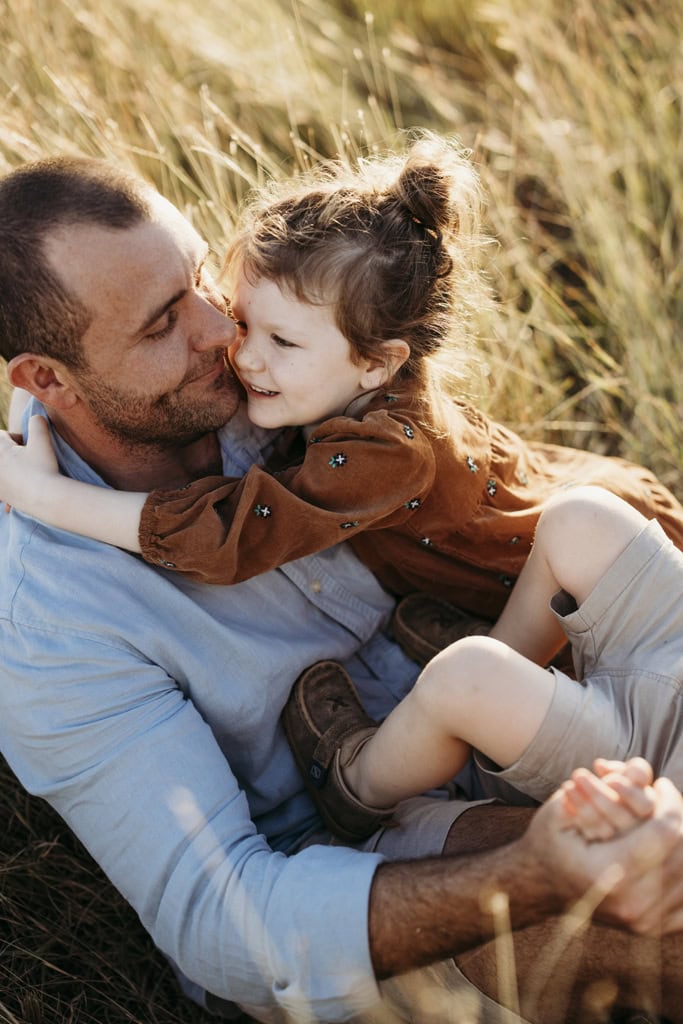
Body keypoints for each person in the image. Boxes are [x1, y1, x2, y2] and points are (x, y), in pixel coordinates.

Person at [0, 154, 683, 1024]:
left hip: (536, 697)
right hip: (392, 844)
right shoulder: (46, 620)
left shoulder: (276, 368)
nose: (221, 330)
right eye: (164, 321)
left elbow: (493, 491)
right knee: (637, 888)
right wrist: (530, 870)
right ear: (46, 379)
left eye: (202, 276)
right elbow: (218, 925)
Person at [0, 136, 682, 640]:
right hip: (568, 533)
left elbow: (233, 535)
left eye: (282, 341)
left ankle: (372, 779)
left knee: (498, 699)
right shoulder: (339, 369)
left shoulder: (384, 451)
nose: (235, 347)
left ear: (377, 363)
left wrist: (42, 496)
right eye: (247, 320)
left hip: (591, 599)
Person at [277, 485, 683, 843]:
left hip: (654, 762)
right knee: (582, 519)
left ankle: (355, 785)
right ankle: (508, 659)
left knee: (465, 677)